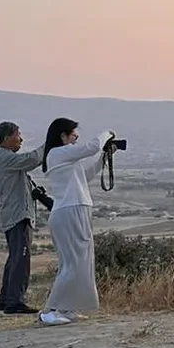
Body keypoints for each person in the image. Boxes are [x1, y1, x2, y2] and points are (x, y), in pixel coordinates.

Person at [38, 120, 115, 328]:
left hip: (75, 209)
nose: (75, 139)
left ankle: (68, 308)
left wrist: (106, 156)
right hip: (70, 211)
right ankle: (51, 310)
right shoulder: (56, 153)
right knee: (73, 263)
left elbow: (87, 175)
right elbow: (91, 147)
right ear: (62, 136)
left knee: (81, 262)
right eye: (73, 135)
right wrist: (106, 133)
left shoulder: (64, 158)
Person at [0, 121, 44, 315]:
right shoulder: (4, 158)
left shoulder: (2, 159)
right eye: (18, 134)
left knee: (16, 257)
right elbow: (32, 159)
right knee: (21, 259)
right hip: (17, 215)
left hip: (14, 214)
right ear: (7, 138)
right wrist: (50, 143)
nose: (21, 139)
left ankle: (5, 299)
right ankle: (15, 301)